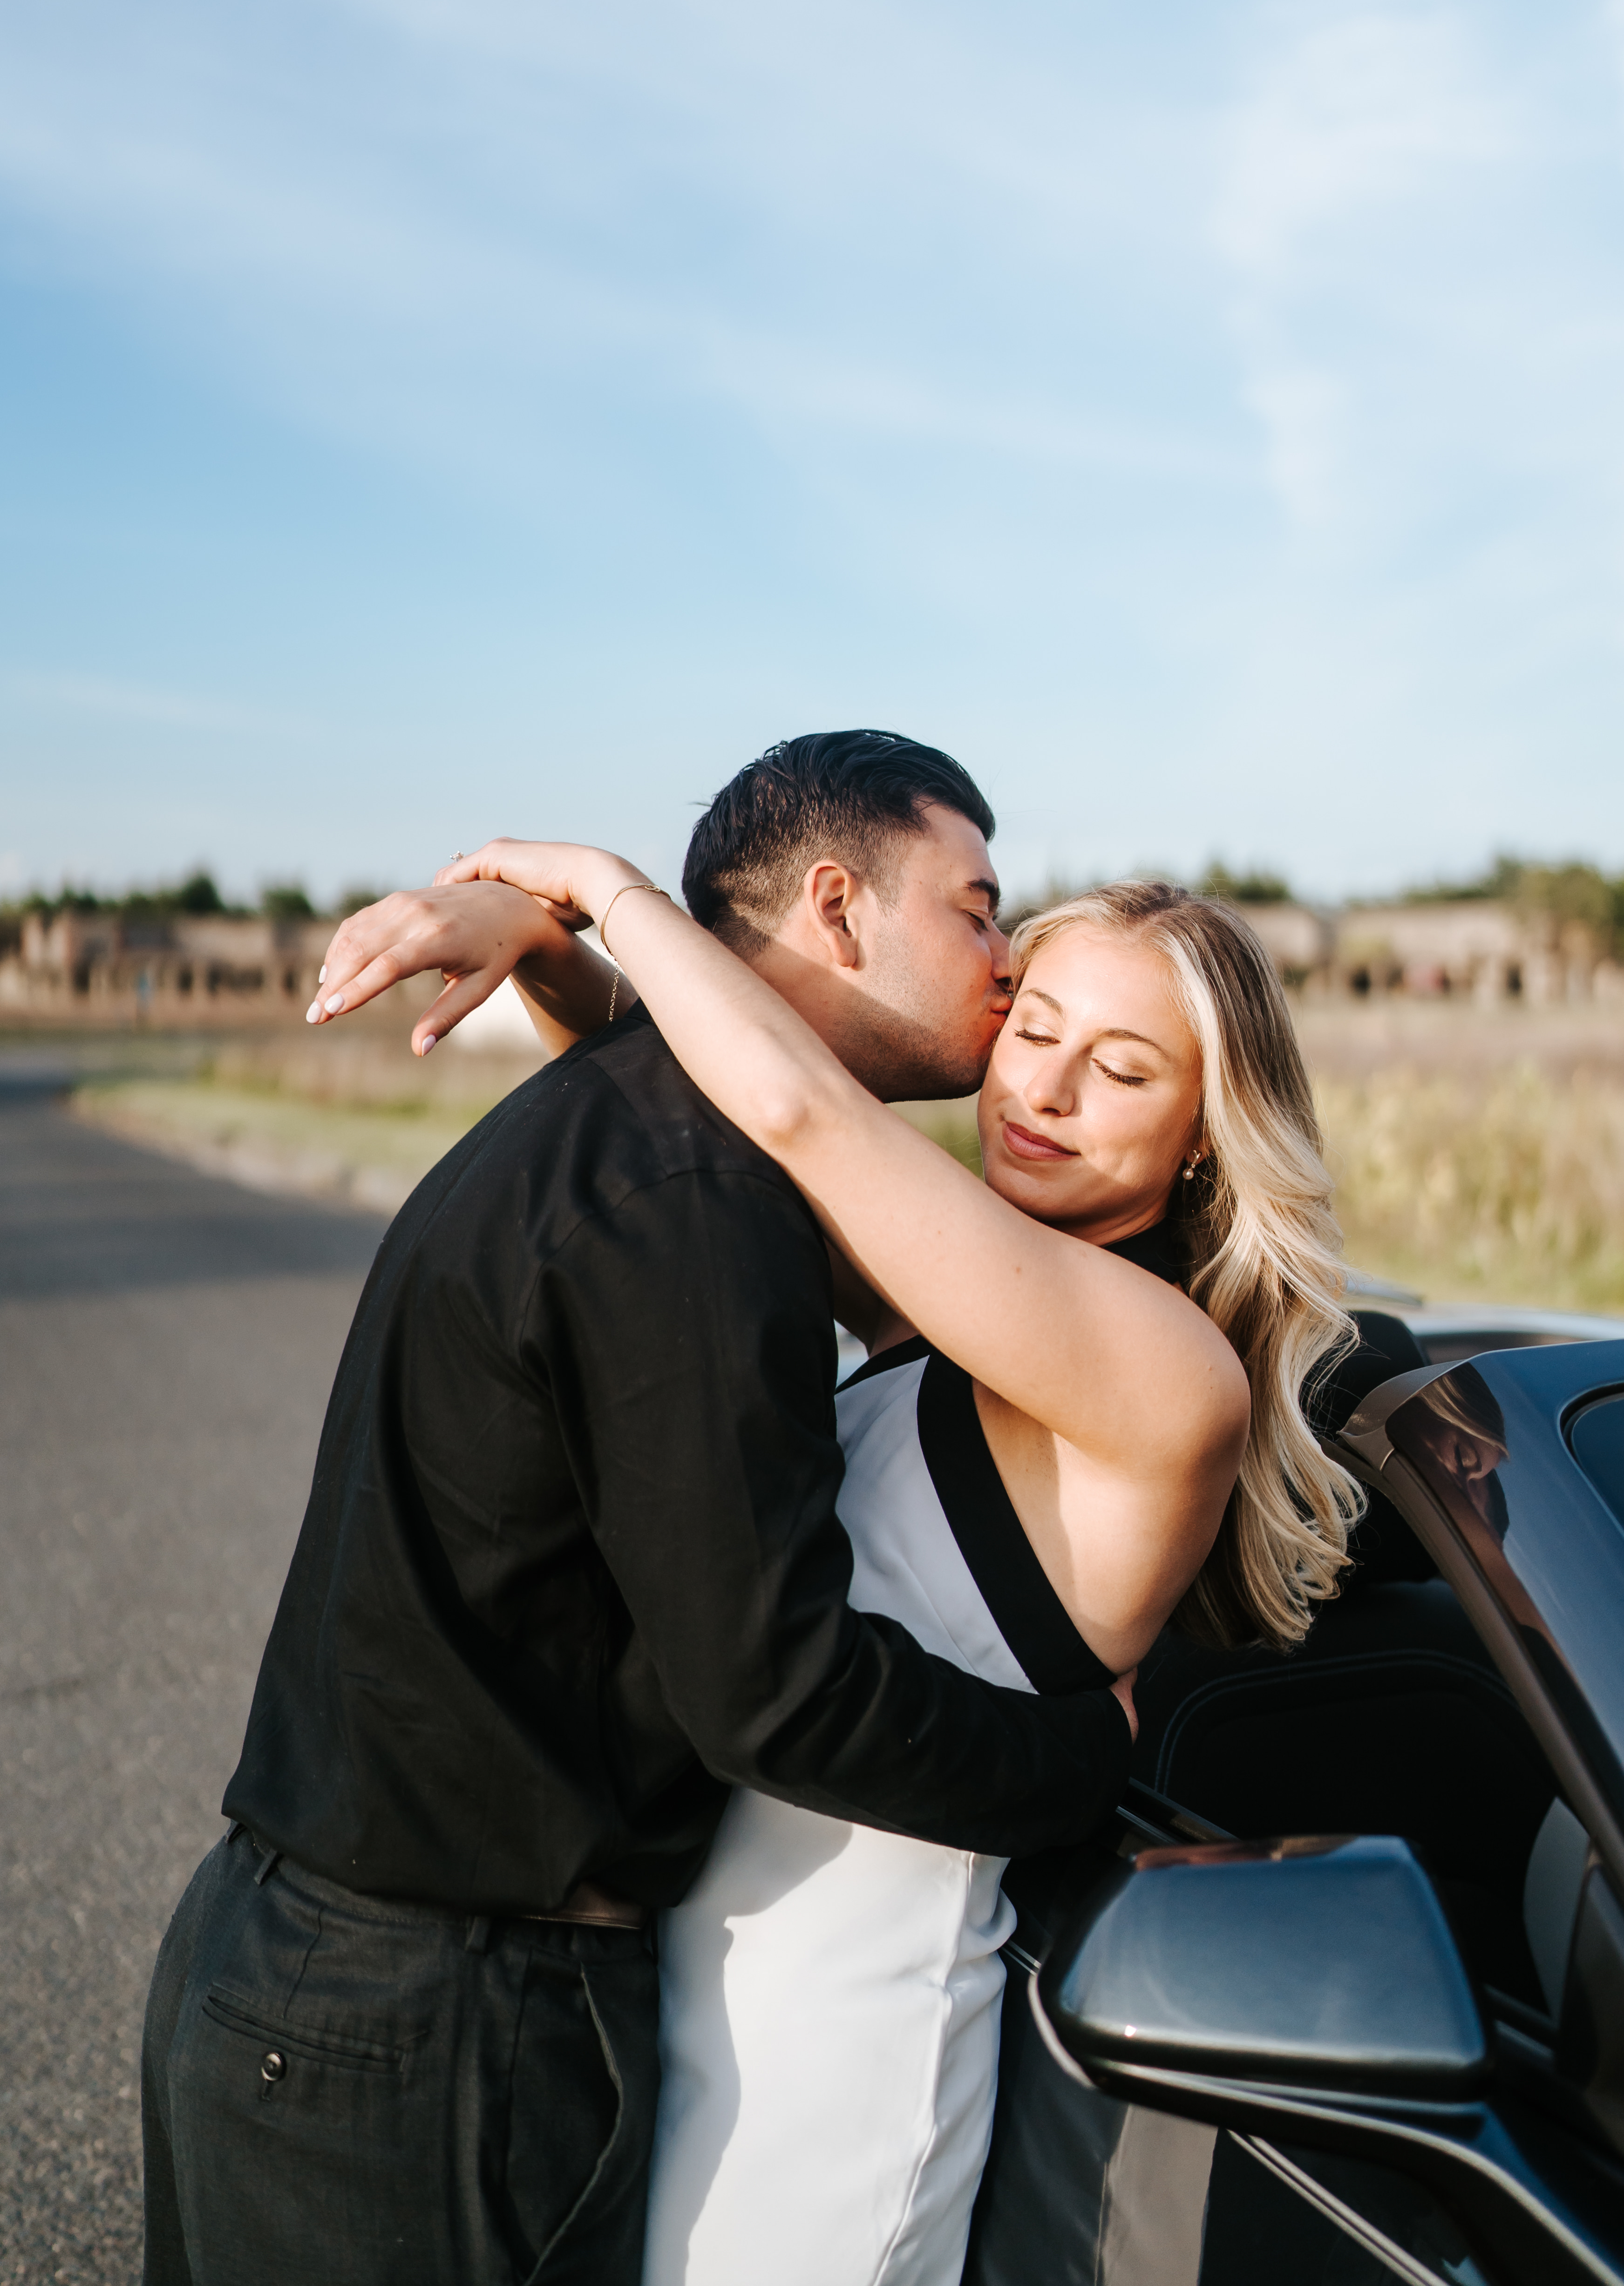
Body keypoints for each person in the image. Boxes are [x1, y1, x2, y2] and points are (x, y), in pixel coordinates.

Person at [139, 734, 1140, 2286]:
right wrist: (1093, 1764)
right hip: (426, 2024)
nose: (1007, 969)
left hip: (337, 1977)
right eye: (980, 910)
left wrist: (560, 952)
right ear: (838, 906)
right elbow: (780, 1694)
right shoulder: (695, 1199)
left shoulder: (653, 1124)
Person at [313, 816, 1360, 2286]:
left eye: (1120, 1071)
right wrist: (549, 957)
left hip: (842, 2051)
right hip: (699, 1979)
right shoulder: (963, 1299)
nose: (1042, 1093)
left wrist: (605, 892)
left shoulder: (1166, 1372)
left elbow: (800, 1111)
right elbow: (721, 1117)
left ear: (1205, 1140)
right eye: (1034, 1030)